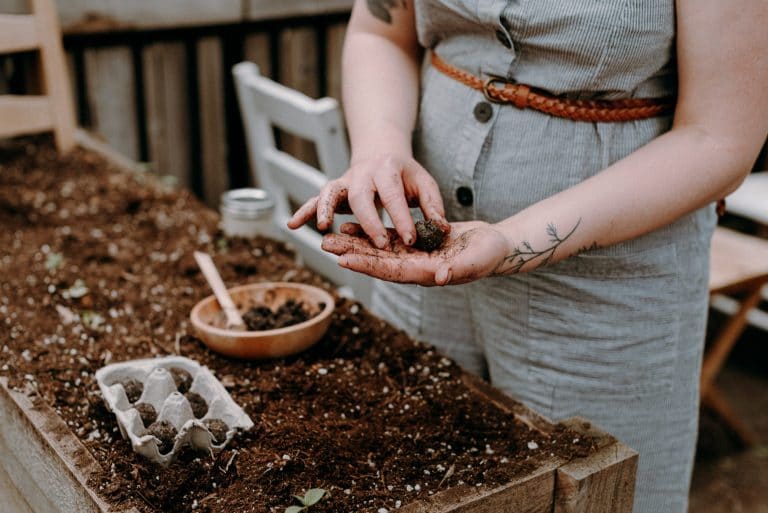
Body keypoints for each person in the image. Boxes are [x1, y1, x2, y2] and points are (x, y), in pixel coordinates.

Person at [288, 1, 768, 511]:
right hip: (416, 271)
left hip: (607, 296)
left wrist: (511, 240)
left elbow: (719, 138)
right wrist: (380, 148)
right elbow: (380, 31)